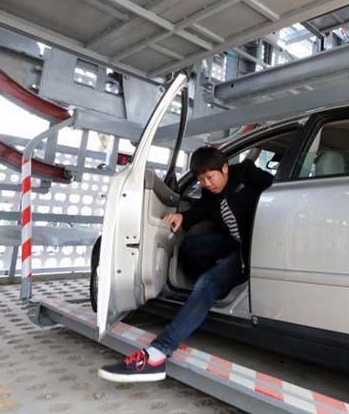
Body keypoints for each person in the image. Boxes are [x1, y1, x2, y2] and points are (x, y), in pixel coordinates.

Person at [98, 146, 273, 382]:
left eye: (210, 177)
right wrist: (182, 217)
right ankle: (210, 290)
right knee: (190, 246)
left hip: (251, 250)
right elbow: (202, 210)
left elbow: (278, 191)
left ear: (224, 168)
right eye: (201, 180)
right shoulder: (210, 192)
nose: (207, 184)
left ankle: (158, 353)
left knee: (207, 282)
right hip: (232, 242)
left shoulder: (247, 173)